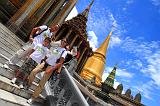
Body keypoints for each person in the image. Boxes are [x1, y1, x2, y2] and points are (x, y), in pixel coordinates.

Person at [27, 38, 68, 104]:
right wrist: (44, 59)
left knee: (42, 83)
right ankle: (28, 84)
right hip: (45, 63)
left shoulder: (64, 51)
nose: (63, 42)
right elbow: (50, 54)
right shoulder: (56, 47)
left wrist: (50, 69)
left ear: (66, 44)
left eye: (65, 42)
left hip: (51, 66)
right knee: (33, 72)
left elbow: (60, 63)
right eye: (62, 40)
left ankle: (33, 97)